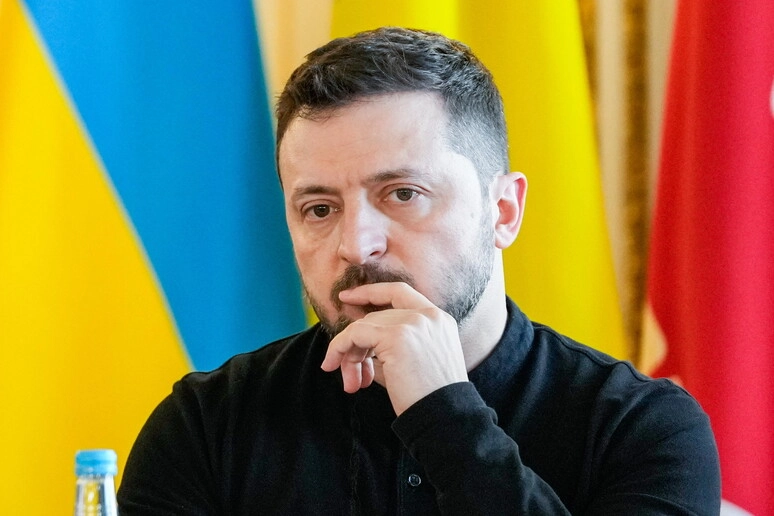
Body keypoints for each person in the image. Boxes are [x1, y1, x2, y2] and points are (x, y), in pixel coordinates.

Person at [117, 27, 720, 515]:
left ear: (503, 211)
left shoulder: (641, 430)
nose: (357, 245)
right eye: (319, 208)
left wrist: (444, 413)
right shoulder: (207, 426)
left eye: (403, 194)